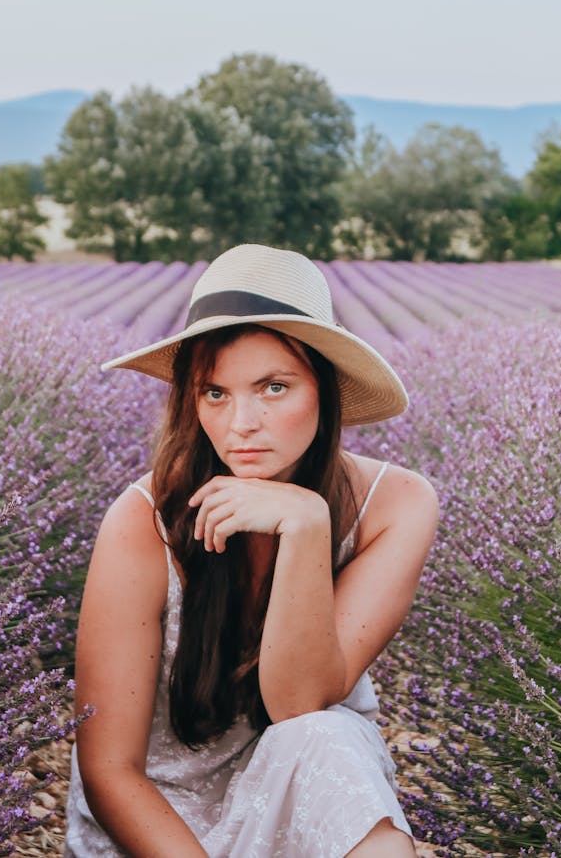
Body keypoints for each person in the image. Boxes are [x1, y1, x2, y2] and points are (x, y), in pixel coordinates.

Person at [65, 244, 439, 858]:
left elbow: (299, 704)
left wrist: (307, 526)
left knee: (328, 735)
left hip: (302, 804)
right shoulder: (143, 522)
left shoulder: (395, 505)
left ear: (327, 387)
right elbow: (110, 772)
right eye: (216, 392)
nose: (242, 423)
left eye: (273, 387)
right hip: (159, 828)